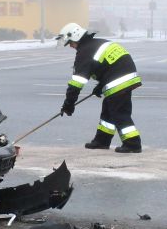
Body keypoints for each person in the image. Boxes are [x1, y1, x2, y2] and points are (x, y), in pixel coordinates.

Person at [56, 22, 143, 153]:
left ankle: (132, 144)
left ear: (75, 37)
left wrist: (69, 104)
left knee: (119, 112)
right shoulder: (97, 43)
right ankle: (102, 140)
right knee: (109, 109)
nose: (71, 47)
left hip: (119, 79)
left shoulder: (84, 53)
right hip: (125, 75)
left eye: (70, 43)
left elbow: (76, 83)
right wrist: (101, 85)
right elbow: (108, 66)